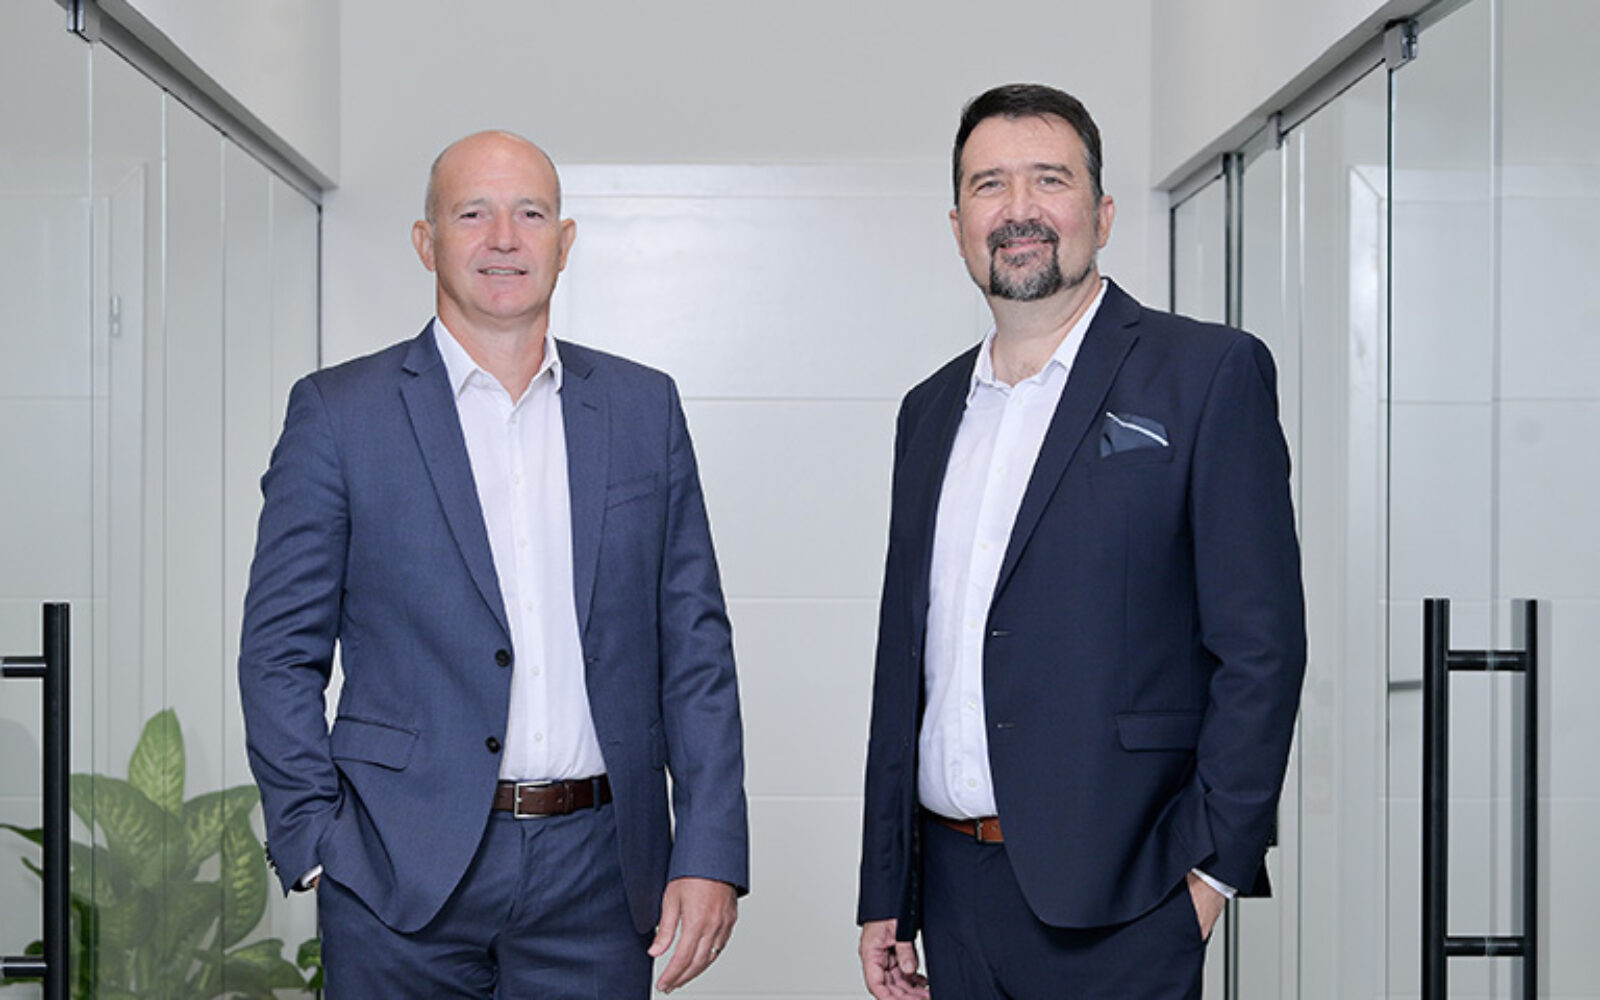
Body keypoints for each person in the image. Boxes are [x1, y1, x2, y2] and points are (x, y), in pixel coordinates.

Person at [238, 130, 748, 998]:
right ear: (426, 240)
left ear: (565, 241)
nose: (504, 238)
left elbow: (695, 648)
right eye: (473, 214)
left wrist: (708, 850)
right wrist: (315, 840)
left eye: (531, 214)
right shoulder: (339, 414)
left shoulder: (643, 408)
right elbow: (278, 653)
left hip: (599, 877)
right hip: (396, 870)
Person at [856, 84, 1306, 999]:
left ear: (1101, 214)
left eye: (1049, 180)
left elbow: (1261, 647)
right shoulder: (928, 411)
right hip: (951, 895)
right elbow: (908, 661)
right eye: (989, 185)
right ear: (958, 226)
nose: (1018, 209)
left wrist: (1210, 877)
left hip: (1129, 900)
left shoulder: (1206, 374)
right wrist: (886, 889)